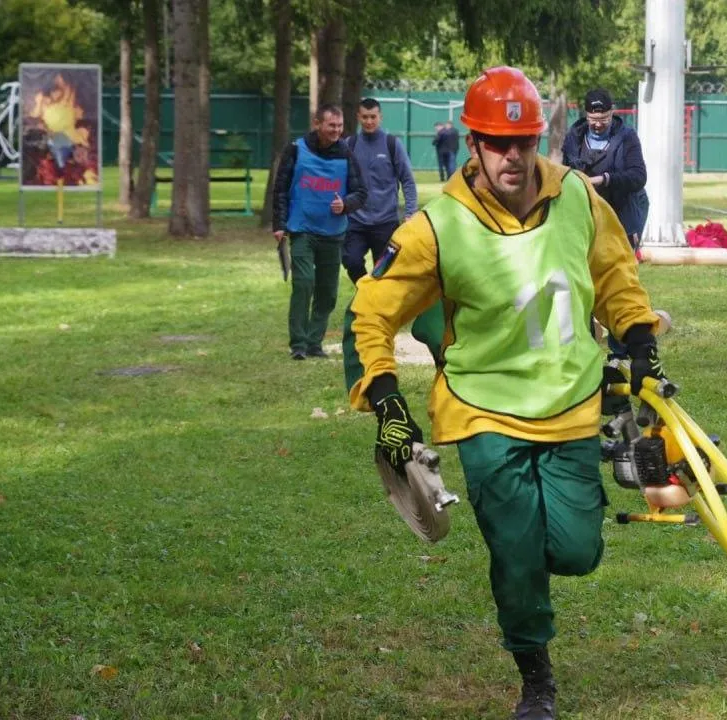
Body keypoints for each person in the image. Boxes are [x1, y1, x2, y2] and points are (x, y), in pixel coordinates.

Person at [347, 66, 666, 720]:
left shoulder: (578, 194)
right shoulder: (437, 226)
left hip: (575, 402)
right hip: (482, 411)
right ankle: (536, 677)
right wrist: (387, 404)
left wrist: (638, 337)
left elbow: (613, 272)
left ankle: (542, 554)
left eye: (523, 141)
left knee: (576, 552)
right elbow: (373, 311)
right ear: (474, 144)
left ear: (539, 138)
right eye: (498, 143)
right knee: (517, 555)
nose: (513, 156)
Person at [272, 104, 367, 360]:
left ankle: (315, 342)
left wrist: (345, 204)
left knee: (327, 291)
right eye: (331, 125)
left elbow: (361, 193)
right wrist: (279, 225)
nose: (336, 130)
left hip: (333, 234)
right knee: (303, 283)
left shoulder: (347, 154)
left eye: (339, 125)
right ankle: (299, 345)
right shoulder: (295, 149)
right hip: (302, 229)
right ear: (317, 124)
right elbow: (280, 188)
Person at [342, 98, 417, 284]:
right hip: (355, 222)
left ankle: (377, 302)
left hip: (386, 222)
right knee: (351, 262)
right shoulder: (348, 145)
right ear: (358, 117)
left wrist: (410, 213)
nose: (369, 121)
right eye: (365, 117)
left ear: (380, 117)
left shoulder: (392, 144)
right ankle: (365, 293)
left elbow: (407, 180)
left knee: (384, 272)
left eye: (373, 117)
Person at [561, 88, 649, 247]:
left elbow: (639, 176)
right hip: (587, 210)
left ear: (612, 112)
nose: (598, 124)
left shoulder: (627, 137)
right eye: (593, 119)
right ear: (586, 115)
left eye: (604, 119)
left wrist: (604, 179)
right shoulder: (574, 138)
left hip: (624, 209)